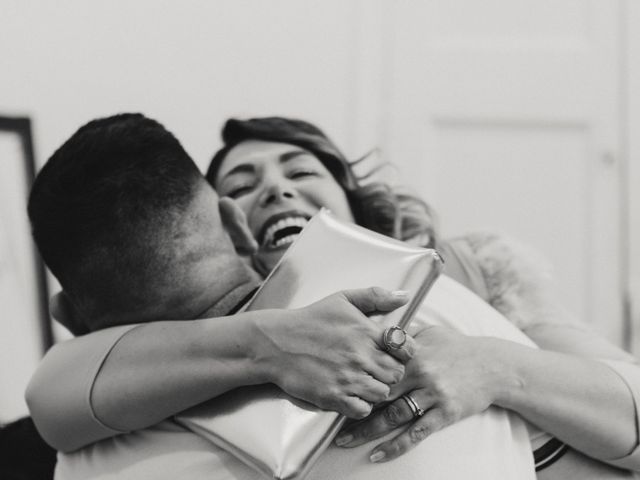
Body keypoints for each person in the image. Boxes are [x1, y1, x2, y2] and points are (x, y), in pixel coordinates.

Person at [25, 113, 537, 480]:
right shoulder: (439, 309)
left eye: (301, 171)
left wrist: (498, 365)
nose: (277, 190)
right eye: (244, 183)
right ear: (235, 224)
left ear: (67, 315)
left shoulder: (87, 442)